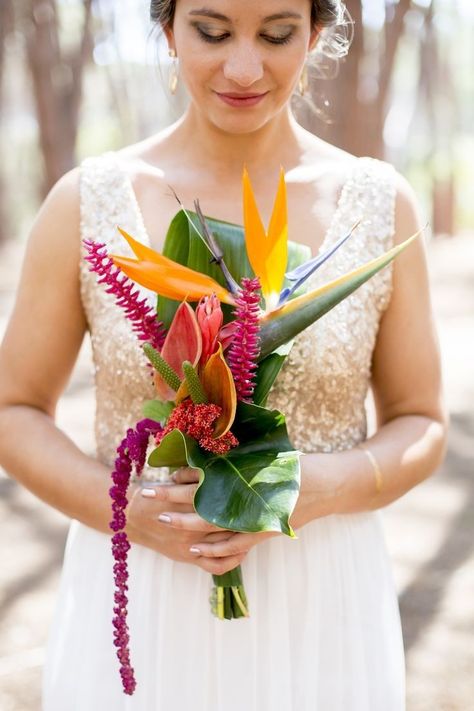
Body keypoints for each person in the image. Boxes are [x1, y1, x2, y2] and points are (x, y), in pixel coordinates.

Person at [0, 1, 448, 709]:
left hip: (322, 600)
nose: (244, 67)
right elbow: (14, 410)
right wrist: (128, 512)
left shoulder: (376, 205)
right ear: (167, 27)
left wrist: (315, 485)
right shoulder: (86, 203)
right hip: (145, 596)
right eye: (212, 32)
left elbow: (422, 420)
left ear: (317, 33)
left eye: (276, 34)